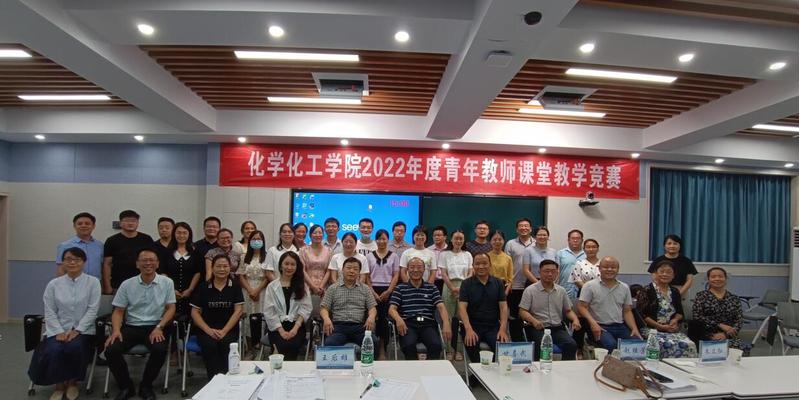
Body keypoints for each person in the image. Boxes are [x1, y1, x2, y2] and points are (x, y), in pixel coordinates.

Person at [105, 248, 176, 400]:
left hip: (155, 326)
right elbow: (118, 311)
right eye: (144, 260)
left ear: (157, 264)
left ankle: (146, 385)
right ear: (137, 264)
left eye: (151, 260)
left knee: (159, 350)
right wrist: (116, 330)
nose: (148, 263)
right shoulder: (127, 284)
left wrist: (160, 327)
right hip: (132, 326)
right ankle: (126, 386)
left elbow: (171, 308)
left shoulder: (167, 282)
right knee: (111, 350)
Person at [30, 247, 101, 400]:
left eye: (77, 259)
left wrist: (78, 330)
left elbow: (92, 310)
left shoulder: (93, 282)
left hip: (83, 330)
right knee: (54, 349)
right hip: (57, 329)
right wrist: (58, 331)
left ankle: (72, 383)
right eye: (68, 259)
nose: (72, 262)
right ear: (63, 262)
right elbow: (49, 311)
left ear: (84, 262)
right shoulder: (54, 284)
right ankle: (59, 386)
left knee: (75, 347)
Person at [190, 254, 244, 379]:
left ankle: (227, 379)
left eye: (225, 266)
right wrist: (209, 331)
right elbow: (195, 312)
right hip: (206, 329)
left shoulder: (235, 286)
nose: (222, 269)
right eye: (218, 266)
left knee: (226, 345)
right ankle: (213, 380)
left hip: (229, 329)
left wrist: (224, 331)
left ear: (230, 268)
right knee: (210, 346)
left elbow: (238, 311)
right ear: (212, 268)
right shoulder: (203, 287)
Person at [389, 257, 452, 360]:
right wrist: (398, 319)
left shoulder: (432, 288)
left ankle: (429, 369)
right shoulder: (400, 288)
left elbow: (441, 307)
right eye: (412, 267)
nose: (415, 270)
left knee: (436, 345)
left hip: (428, 324)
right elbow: (392, 309)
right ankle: (414, 369)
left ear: (424, 270)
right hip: (408, 324)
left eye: (419, 267)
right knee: (408, 346)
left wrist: (446, 323)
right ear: (407, 270)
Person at [518, 259, 581, 361]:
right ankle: (539, 368)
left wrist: (575, 320)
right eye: (546, 271)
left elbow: (568, 310)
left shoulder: (561, 291)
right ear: (539, 272)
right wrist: (534, 321)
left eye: (553, 271)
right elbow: (522, 311)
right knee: (540, 347)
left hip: (557, 328)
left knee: (571, 344)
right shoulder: (530, 290)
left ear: (557, 273)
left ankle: (566, 368)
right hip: (538, 328)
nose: (550, 274)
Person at [577, 256, 642, 351]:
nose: (610, 269)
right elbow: (582, 307)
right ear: (599, 268)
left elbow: (627, 311)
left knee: (637, 344)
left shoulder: (624, 287)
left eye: (613, 267)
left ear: (618, 269)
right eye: (606, 267)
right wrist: (593, 324)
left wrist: (634, 328)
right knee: (611, 345)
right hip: (600, 326)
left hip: (620, 326)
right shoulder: (589, 286)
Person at [638, 260, 696, 358]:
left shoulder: (675, 291)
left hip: (671, 329)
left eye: (669, 272)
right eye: (662, 271)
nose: (665, 274)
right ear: (655, 274)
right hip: (651, 329)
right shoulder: (646, 290)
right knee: (665, 344)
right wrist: (660, 326)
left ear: (673, 276)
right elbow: (643, 315)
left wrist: (675, 320)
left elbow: (680, 312)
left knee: (689, 344)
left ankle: (680, 367)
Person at [459, 253, 509, 362]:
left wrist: (503, 329)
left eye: (484, 263)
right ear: (473, 265)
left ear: (490, 265)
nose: (481, 266)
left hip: (493, 326)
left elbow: (503, 307)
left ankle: (493, 371)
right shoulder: (466, 284)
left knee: (502, 350)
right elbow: (462, 308)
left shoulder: (498, 283)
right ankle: (477, 371)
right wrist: (468, 329)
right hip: (472, 326)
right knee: (473, 347)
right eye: (477, 264)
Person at [263, 252, 312, 360]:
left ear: (297, 267)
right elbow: (269, 311)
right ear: (281, 265)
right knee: (281, 345)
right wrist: (281, 330)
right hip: (276, 326)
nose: (289, 267)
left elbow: (306, 308)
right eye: (286, 264)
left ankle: (290, 370)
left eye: (293, 264)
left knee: (292, 345)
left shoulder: (302, 286)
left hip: (297, 325)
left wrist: (295, 329)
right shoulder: (272, 286)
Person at [320, 257, 378, 347]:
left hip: (359, 327)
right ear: (342, 270)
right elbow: (324, 308)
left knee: (373, 342)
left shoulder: (365, 289)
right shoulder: (333, 288)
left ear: (359, 272)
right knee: (330, 343)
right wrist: (326, 319)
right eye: (348, 268)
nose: (352, 271)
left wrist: (371, 317)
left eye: (355, 269)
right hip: (338, 327)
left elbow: (372, 308)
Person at [366, 229, 401, 359]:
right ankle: (370, 347)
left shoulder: (394, 256)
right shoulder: (369, 256)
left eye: (384, 239)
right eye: (379, 239)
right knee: (372, 318)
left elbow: (396, 275)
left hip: (388, 290)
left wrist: (389, 291)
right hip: (372, 290)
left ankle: (382, 349)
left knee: (384, 320)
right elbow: (366, 276)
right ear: (376, 240)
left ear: (388, 240)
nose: (381, 241)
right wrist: (372, 292)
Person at [103, 210, 154, 294]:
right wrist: (107, 286)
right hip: (118, 285)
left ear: (138, 223)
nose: (130, 223)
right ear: (120, 223)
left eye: (133, 221)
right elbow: (107, 264)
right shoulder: (111, 240)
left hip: (143, 283)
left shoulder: (146, 239)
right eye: (126, 220)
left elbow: (153, 261)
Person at [439, 229, 472, 361]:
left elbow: (471, 273)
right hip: (449, 286)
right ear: (451, 240)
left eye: (461, 238)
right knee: (447, 319)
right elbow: (443, 273)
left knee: (462, 319)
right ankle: (448, 349)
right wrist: (453, 288)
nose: (458, 241)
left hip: (465, 287)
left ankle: (458, 349)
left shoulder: (468, 254)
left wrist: (462, 288)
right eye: (456, 238)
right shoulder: (444, 254)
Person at [692, 267, 743, 349]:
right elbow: (697, 316)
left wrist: (725, 335)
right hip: (706, 334)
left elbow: (739, 320)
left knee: (737, 349)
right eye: (713, 277)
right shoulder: (701, 296)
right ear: (708, 279)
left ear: (726, 279)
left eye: (720, 276)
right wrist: (719, 325)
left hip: (728, 335)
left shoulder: (734, 298)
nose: (717, 279)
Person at [238, 229, 269, 357]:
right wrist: (250, 290)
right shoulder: (244, 256)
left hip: (262, 291)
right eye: (254, 239)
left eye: (259, 239)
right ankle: (250, 349)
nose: (256, 241)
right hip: (247, 291)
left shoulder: (267, 256)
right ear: (250, 241)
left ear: (263, 241)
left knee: (261, 320)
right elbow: (241, 275)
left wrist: (257, 290)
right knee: (248, 320)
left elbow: (268, 276)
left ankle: (261, 349)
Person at [163, 222, 202, 319]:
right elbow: (163, 272)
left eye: (185, 233)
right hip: (170, 291)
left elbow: (198, 272)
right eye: (178, 233)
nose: (181, 236)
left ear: (189, 235)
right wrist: (172, 289)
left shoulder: (195, 252)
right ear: (174, 234)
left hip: (190, 292)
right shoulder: (167, 252)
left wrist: (190, 289)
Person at [568, 238, 600, 356]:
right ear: (584, 249)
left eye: (593, 247)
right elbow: (577, 280)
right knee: (581, 320)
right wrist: (590, 290)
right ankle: (579, 349)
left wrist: (596, 291)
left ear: (598, 248)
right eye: (588, 247)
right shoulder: (579, 263)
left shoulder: (603, 263)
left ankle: (596, 346)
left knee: (596, 318)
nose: (591, 249)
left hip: (600, 296)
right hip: (583, 294)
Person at [504, 218, 534, 342]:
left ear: (530, 229)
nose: (524, 228)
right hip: (515, 285)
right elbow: (506, 264)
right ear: (517, 229)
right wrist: (509, 283)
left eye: (526, 226)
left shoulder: (536, 243)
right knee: (515, 316)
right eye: (521, 226)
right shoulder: (510, 244)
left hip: (532, 285)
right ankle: (517, 342)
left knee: (530, 315)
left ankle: (531, 341)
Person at [56, 212, 104, 279]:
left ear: (93, 226)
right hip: (73, 283)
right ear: (74, 226)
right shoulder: (65, 246)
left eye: (87, 223)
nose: (83, 226)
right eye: (80, 224)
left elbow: (102, 267)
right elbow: (61, 268)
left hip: (96, 283)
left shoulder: (100, 245)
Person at [299, 225, 333, 309]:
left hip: (324, 288)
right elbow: (302, 270)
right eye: (315, 233)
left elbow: (329, 270)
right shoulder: (303, 250)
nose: (318, 235)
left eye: (320, 233)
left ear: (323, 235)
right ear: (310, 235)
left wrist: (321, 286)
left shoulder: (329, 250)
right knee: (306, 311)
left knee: (323, 311)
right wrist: (313, 287)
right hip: (306, 286)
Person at [557, 229, 586, 300]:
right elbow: (556, 272)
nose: (575, 240)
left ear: (582, 240)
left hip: (583, 291)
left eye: (578, 238)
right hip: (564, 290)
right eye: (573, 238)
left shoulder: (587, 254)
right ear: (568, 240)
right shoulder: (560, 253)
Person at [487, 230, 513, 296]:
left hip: (503, 287)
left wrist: (506, 291)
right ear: (490, 241)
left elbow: (510, 278)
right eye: (494, 239)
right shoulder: (486, 256)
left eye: (500, 239)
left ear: (504, 241)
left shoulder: (508, 258)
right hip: (488, 286)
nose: (497, 241)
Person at [427, 225, 449, 294]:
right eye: (434, 235)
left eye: (439, 235)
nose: (436, 237)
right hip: (432, 282)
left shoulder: (450, 250)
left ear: (445, 237)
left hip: (447, 282)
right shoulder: (428, 250)